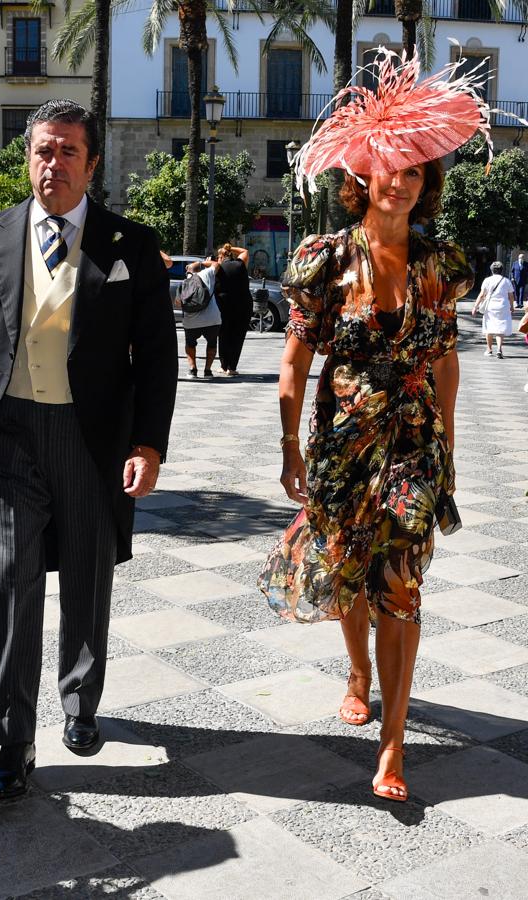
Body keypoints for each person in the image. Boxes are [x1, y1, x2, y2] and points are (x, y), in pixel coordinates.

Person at [0, 100, 178, 799]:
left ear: (92, 162)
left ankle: (80, 700)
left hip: (90, 436)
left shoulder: (130, 243)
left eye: (69, 150)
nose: (54, 163)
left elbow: (157, 358)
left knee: (87, 572)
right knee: (10, 580)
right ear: (28, 158)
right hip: (8, 433)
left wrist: (148, 444)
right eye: (44, 150)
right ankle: (13, 738)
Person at [258, 47, 481, 804]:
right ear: (361, 178)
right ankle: (356, 670)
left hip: (415, 443)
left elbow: (446, 359)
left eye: (415, 170)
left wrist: (446, 443)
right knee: (350, 574)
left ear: (426, 182)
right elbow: (293, 364)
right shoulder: (324, 261)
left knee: (403, 585)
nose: (400, 180)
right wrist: (290, 446)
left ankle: (393, 744)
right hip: (343, 444)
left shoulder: (442, 262)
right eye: (388, 167)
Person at [215, 242, 253, 376]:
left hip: (224, 305)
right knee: (238, 336)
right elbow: (245, 252)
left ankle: (223, 366)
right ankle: (232, 367)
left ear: (220, 257)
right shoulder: (240, 264)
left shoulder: (218, 267)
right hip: (243, 305)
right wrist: (229, 248)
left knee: (224, 334)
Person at [181, 259, 221, 378]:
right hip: (212, 319)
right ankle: (208, 371)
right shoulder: (207, 273)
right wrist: (202, 262)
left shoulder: (186, 280)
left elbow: (179, 301)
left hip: (191, 321)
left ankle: (193, 369)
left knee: (190, 344)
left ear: (188, 270)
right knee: (212, 343)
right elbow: (216, 264)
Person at [472, 261, 514, 358]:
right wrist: (511, 306)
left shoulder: (487, 280)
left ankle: (489, 349)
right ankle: (499, 349)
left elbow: (482, 294)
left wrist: (475, 307)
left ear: (491, 270)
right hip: (503, 306)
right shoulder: (506, 281)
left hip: (490, 306)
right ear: (501, 270)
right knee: (500, 328)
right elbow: (511, 296)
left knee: (489, 327)